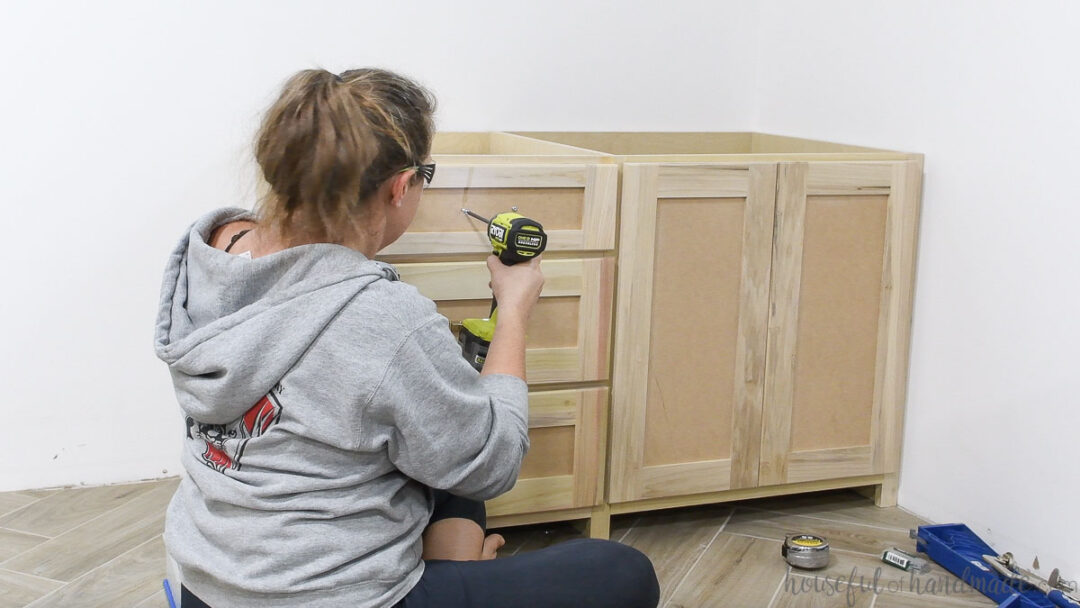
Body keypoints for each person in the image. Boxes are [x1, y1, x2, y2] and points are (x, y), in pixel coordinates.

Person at [154, 67, 659, 608]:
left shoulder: (210, 251)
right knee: (622, 572)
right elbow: (494, 462)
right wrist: (513, 311)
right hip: (331, 598)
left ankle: (453, 566)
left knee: (438, 435)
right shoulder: (383, 315)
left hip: (208, 583)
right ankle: (451, 571)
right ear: (400, 186)